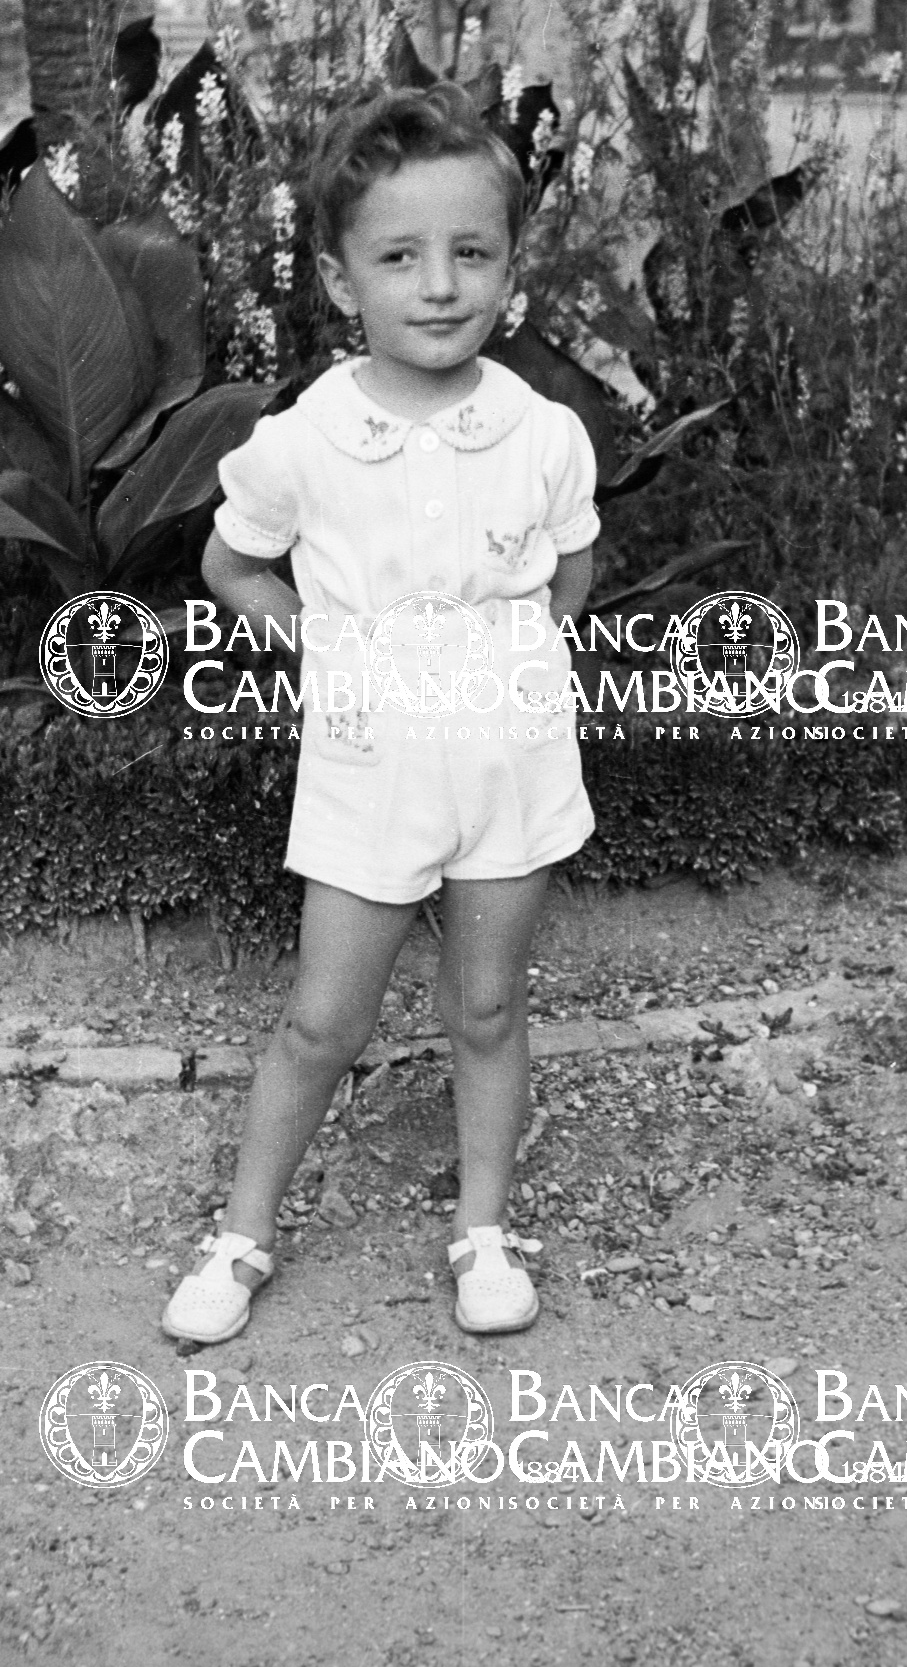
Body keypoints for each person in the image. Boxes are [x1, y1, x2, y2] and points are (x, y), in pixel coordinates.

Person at [161, 85, 599, 1346]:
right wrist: (321, 642)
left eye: (473, 252)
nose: (441, 285)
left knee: (487, 1007)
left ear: (511, 265)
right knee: (322, 1018)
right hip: (371, 771)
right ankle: (242, 1234)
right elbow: (232, 561)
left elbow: (569, 574)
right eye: (400, 256)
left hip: (507, 765)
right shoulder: (306, 440)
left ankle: (484, 1229)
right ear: (340, 277)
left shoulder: (544, 434)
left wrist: (512, 667)